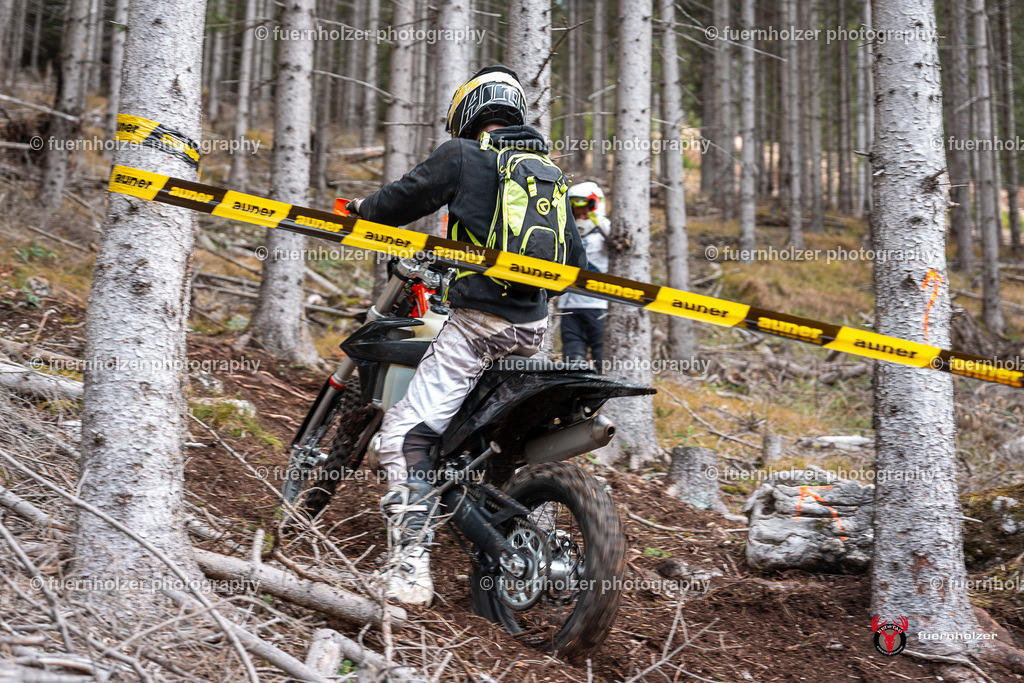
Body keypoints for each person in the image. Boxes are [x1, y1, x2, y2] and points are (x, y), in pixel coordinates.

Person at [346, 65, 587, 606]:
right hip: (533, 330)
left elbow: (399, 201)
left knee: (405, 433)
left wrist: (363, 209)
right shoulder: (547, 175)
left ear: (467, 111)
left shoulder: (463, 156)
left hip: (479, 326)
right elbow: (578, 259)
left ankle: (407, 569)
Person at [558, 182, 610, 367]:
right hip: (569, 307)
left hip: (599, 306)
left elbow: (621, 244)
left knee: (602, 358)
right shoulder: (567, 231)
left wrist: (597, 219)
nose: (581, 214)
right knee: (572, 359)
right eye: (576, 210)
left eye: (584, 209)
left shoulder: (604, 229)